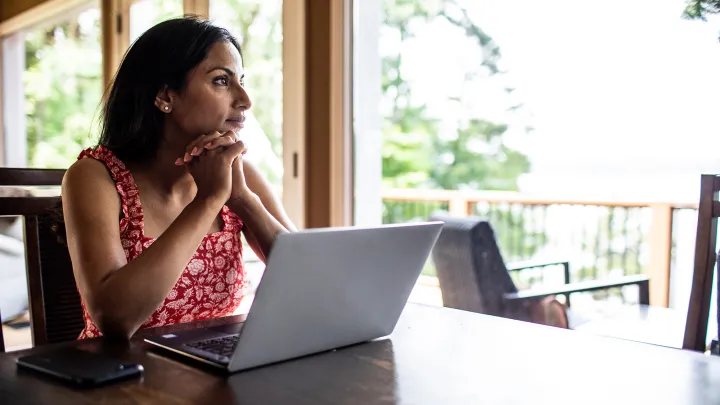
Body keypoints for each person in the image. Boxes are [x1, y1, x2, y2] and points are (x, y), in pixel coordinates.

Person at [60, 16, 294, 340]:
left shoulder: (238, 173)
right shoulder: (95, 178)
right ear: (165, 96)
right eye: (221, 81)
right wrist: (209, 201)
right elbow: (114, 318)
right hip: (123, 380)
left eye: (241, 80)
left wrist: (240, 199)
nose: (245, 100)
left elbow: (306, 280)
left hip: (216, 372)